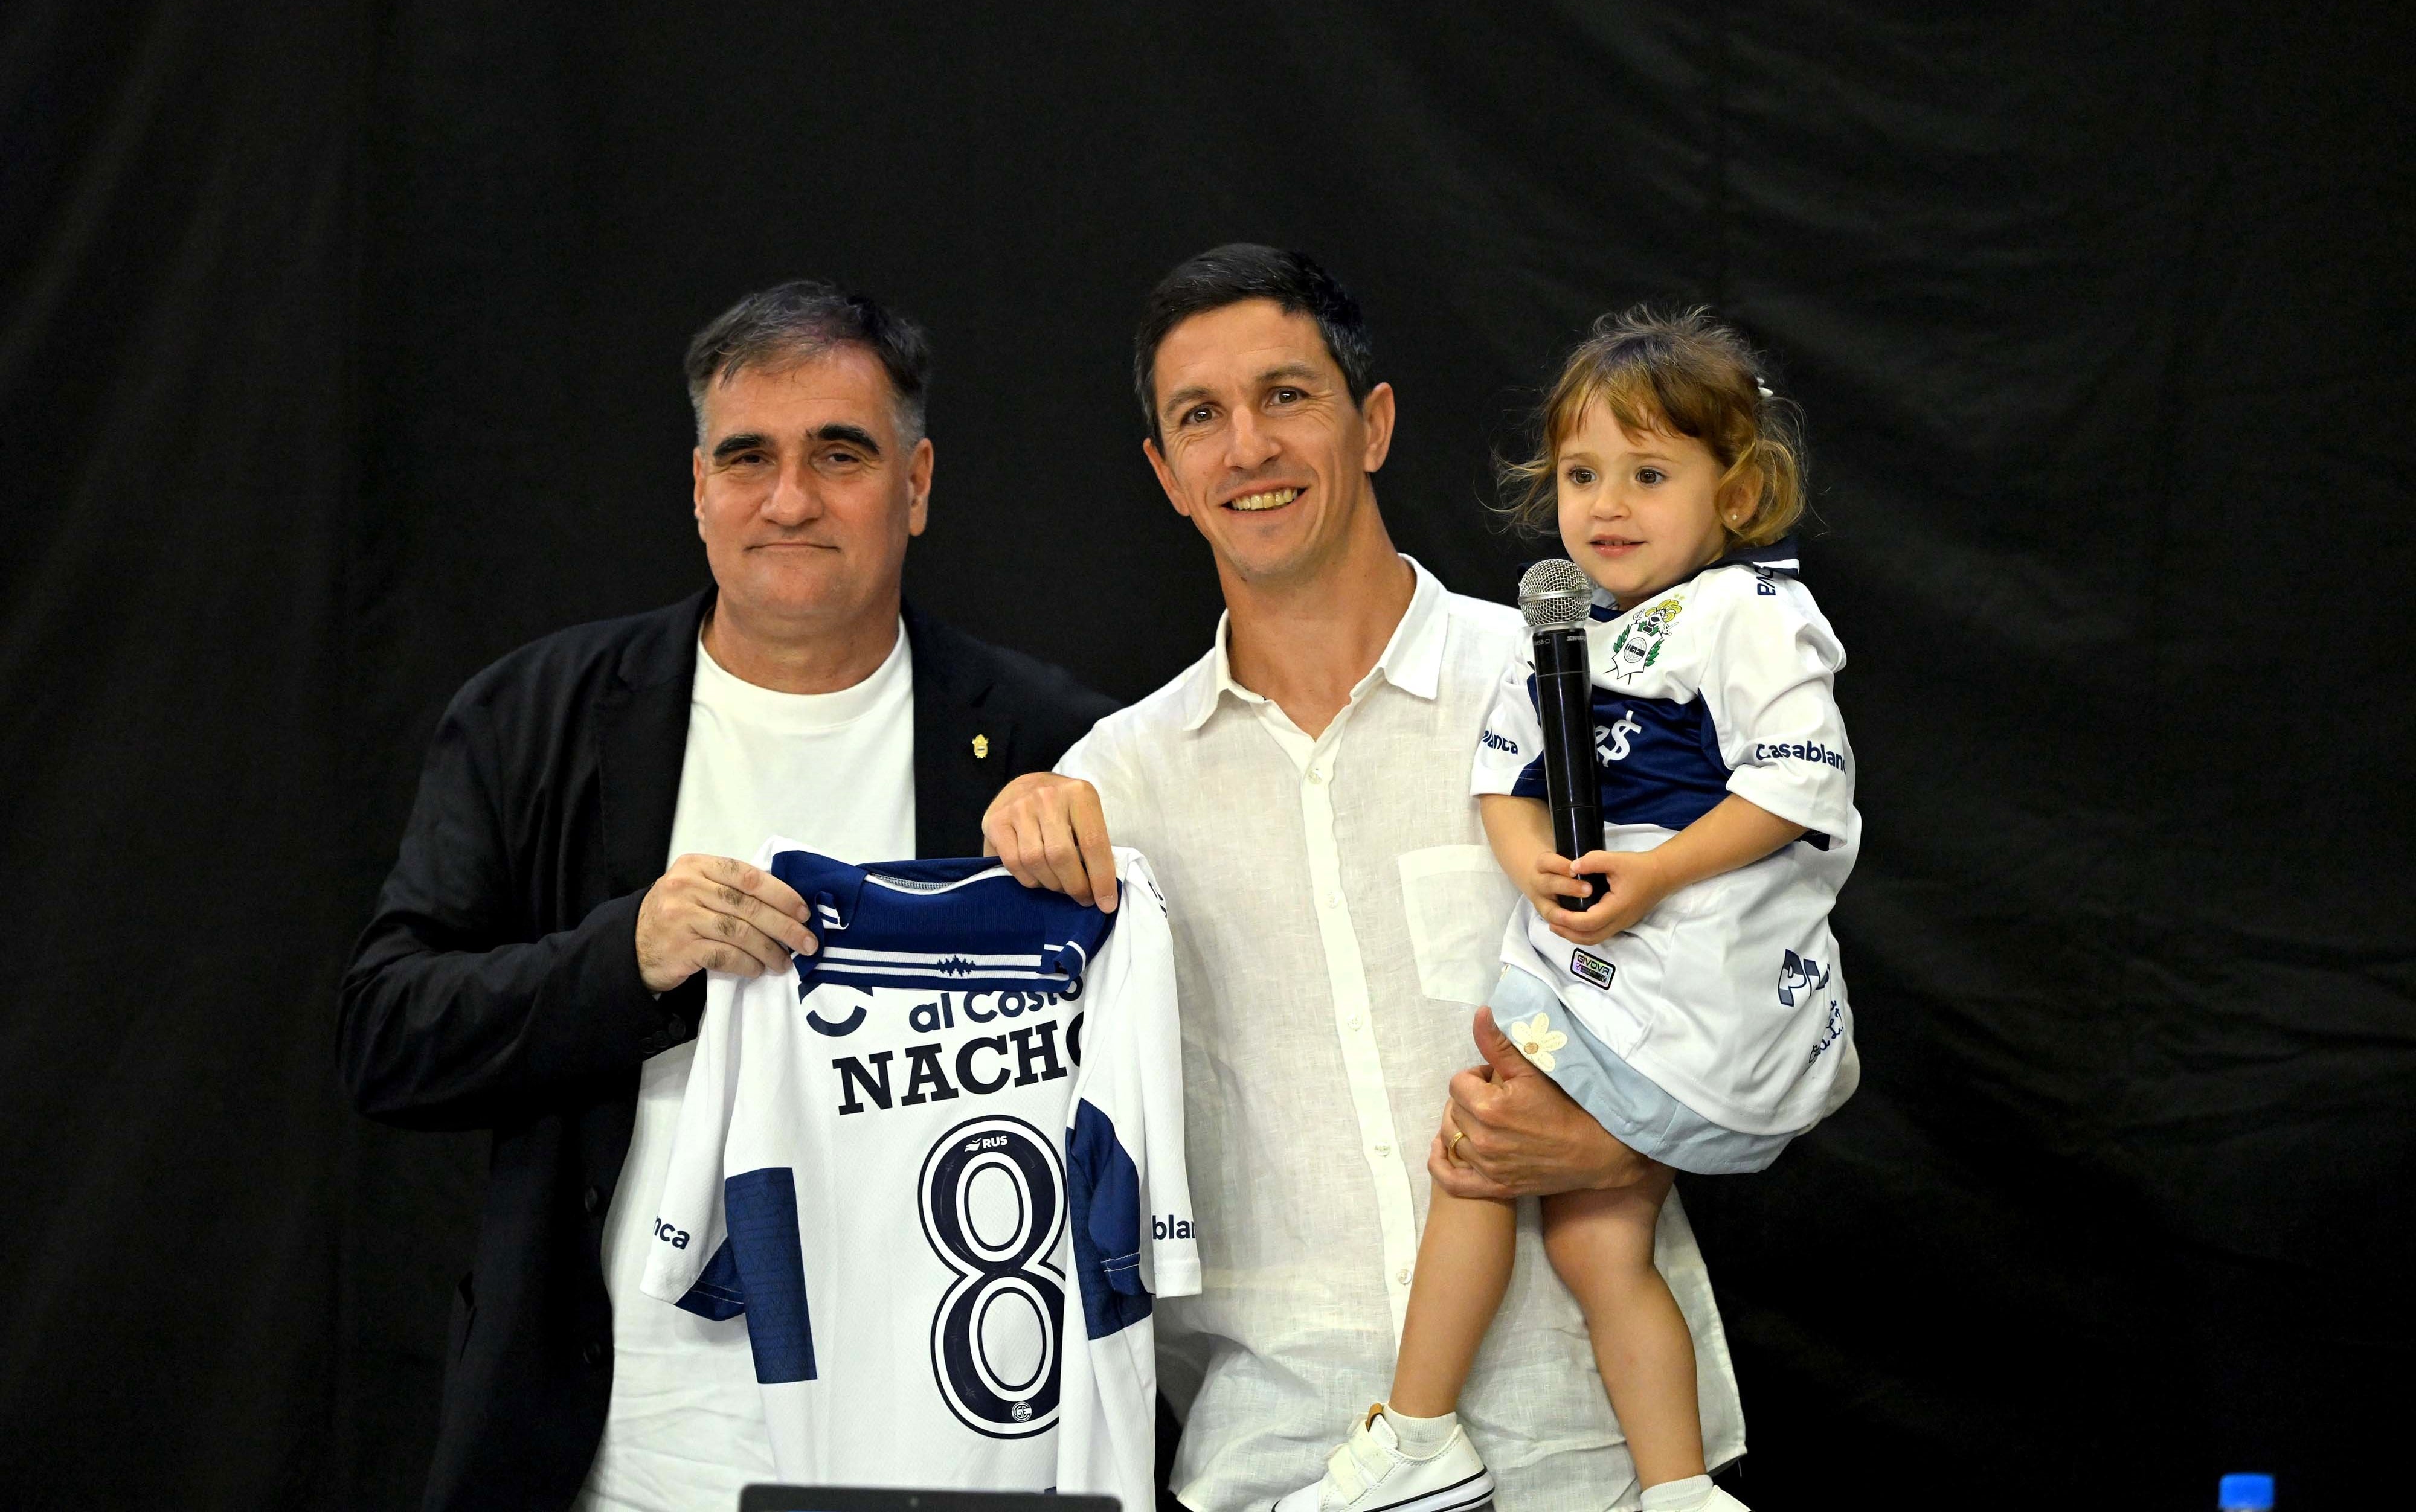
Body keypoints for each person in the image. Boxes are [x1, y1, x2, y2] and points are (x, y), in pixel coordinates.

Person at [983, 246, 1746, 1512]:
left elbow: (1778, 1014)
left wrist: (1626, 1139)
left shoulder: (1579, 690)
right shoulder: (1111, 790)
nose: (1247, 447)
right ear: (1166, 476)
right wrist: (1015, 830)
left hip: (1597, 1461)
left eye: (1285, 396)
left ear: (1373, 422)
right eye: (1199, 418)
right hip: (1283, 1471)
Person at [338, 280, 1114, 1512]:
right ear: (698, 489)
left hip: (950, 1444)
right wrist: (625, 956)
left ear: (915, 487)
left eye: (839, 455)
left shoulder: (1049, 740)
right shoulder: (536, 717)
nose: (789, 498)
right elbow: (385, 1037)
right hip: (622, 1450)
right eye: (747, 456)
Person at [1276, 309, 1861, 1512]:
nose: (1607, 505)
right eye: (1583, 475)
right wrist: (1535, 858)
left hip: (1685, 976)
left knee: (1474, 1154)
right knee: (1599, 1242)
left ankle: (1419, 1434)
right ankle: (1677, 1487)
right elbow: (1501, 780)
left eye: (1649, 475)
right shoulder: (1560, 632)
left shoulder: (1747, 617)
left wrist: (1653, 873)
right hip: (1600, 956)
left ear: (1735, 493)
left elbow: (1796, 781)